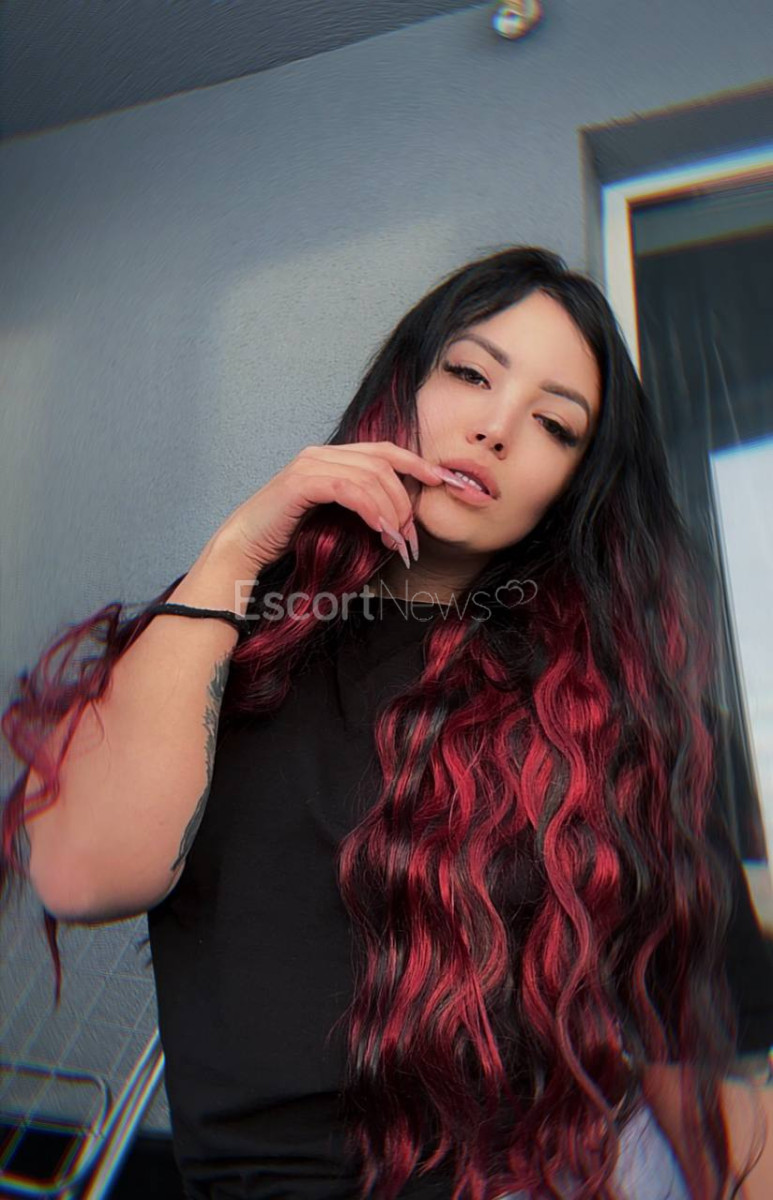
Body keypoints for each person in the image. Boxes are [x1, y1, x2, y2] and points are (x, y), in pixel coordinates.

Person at [3, 245, 773, 1200]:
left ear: (573, 488)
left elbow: (695, 1060)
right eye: (470, 374)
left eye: (553, 424)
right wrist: (238, 546)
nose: (495, 428)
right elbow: (78, 874)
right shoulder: (227, 633)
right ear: (403, 384)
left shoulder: (610, 715)